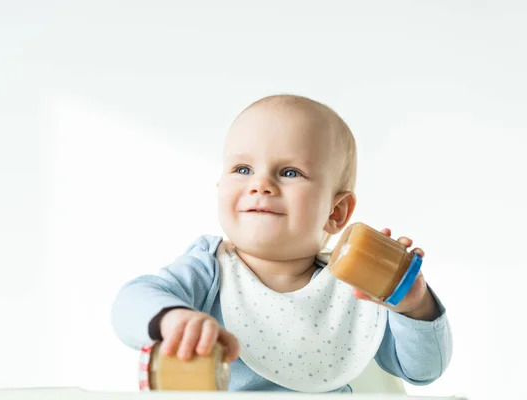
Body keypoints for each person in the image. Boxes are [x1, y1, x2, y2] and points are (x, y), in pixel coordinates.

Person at [111, 94, 452, 393]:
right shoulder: (209, 269)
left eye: (289, 172)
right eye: (243, 169)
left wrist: (413, 305)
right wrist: (173, 319)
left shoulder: (355, 285)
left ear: (336, 212)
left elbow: (422, 372)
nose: (260, 184)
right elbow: (129, 303)